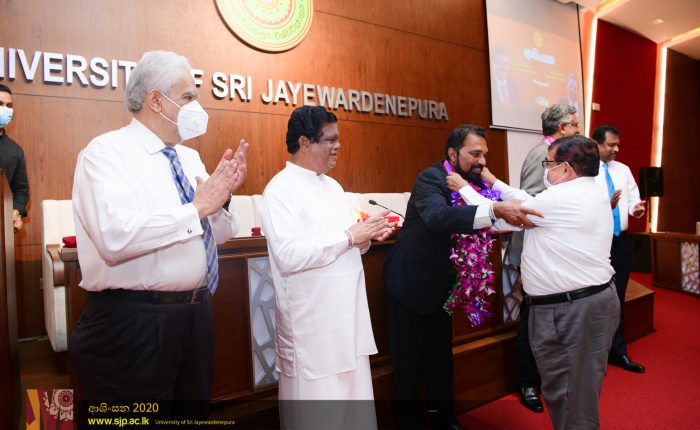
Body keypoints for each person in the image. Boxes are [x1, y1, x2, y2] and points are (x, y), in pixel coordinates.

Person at [71, 51, 248, 418]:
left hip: (195, 317)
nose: (197, 106)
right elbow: (114, 238)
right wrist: (196, 209)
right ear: (155, 100)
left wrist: (223, 198)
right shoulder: (105, 153)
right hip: (131, 324)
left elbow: (219, 235)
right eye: (188, 96)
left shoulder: (189, 158)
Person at [383, 124, 542, 430]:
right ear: (453, 154)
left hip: (443, 290)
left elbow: (496, 217)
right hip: (409, 284)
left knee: (440, 360)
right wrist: (495, 209)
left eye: (485, 154)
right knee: (407, 364)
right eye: (475, 154)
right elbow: (438, 217)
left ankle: (444, 419)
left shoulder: (477, 188)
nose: (482, 161)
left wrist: (499, 206)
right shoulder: (431, 179)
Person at [259, 106, 395, 430]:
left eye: (338, 139)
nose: (338, 146)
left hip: (348, 320)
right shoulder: (279, 191)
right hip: (312, 328)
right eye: (330, 140)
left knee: (354, 411)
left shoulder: (334, 187)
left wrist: (366, 237)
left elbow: (348, 243)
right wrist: (349, 237)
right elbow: (288, 256)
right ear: (305, 142)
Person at [476, 135, 619, 430]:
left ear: (565, 168)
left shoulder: (559, 198)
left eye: (549, 163)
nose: (546, 170)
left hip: (572, 309)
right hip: (586, 303)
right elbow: (525, 199)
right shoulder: (591, 190)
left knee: (572, 396)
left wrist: (462, 188)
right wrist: (491, 180)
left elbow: (499, 218)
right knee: (571, 390)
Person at [511, 103, 579, 413]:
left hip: (557, 252)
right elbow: (527, 205)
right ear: (562, 128)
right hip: (535, 254)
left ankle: (550, 379)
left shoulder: (563, 156)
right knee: (532, 321)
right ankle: (527, 382)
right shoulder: (540, 154)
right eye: (574, 124)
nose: (578, 130)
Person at [592, 125, 646, 373]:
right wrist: (606, 204)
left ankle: (618, 351)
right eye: (611, 144)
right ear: (596, 144)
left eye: (618, 145)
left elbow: (633, 198)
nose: (616, 149)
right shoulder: (585, 170)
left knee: (618, 297)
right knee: (594, 297)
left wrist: (635, 209)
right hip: (595, 241)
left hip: (621, 241)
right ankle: (593, 353)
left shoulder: (622, 169)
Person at [0, 84, 29, 232]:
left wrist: (15, 212)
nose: (4, 109)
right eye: (0, 104)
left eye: (9, 105)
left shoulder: (15, 151)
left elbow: (20, 190)